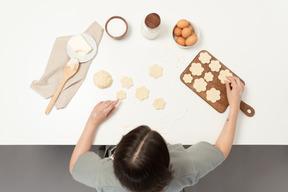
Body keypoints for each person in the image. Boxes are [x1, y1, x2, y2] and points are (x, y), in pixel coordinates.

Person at [69, 76, 245, 192]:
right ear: (167, 157)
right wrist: (234, 106)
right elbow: (221, 149)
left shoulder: (102, 177)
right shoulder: (185, 168)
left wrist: (92, 122)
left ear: (116, 161)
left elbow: (75, 166)